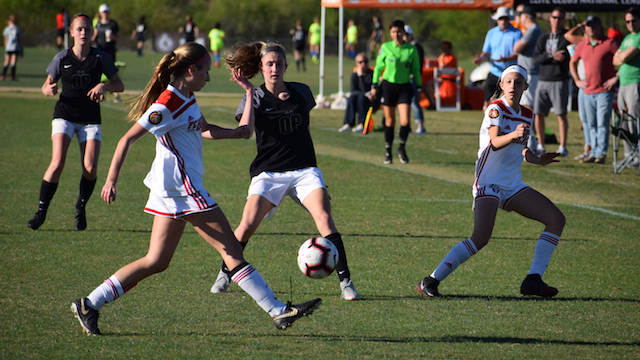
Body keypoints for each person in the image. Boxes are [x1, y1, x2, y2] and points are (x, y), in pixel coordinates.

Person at [70, 42, 322, 336]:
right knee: (232, 253)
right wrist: (111, 180)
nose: (209, 77)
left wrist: (238, 129)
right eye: (205, 71)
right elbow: (127, 139)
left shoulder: (186, 96)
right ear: (190, 70)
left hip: (172, 192)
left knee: (156, 261)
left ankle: (90, 303)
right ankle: (278, 311)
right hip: (183, 190)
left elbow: (201, 128)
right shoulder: (167, 103)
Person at [210, 41, 361, 301]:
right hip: (268, 173)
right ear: (261, 67)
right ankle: (225, 273)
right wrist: (247, 91)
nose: (275, 68)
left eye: (279, 64)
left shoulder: (302, 92)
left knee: (324, 219)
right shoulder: (254, 96)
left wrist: (319, 183)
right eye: (269, 64)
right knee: (245, 227)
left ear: (286, 66)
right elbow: (245, 131)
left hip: (304, 170)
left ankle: (346, 284)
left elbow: (306, 129)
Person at [416, 65, 565, 299]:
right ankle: (431, 280)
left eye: (518, 82)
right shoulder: (495, 109)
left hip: (513, 184)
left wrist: (537, 159)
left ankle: (533, 279)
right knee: (480, 238)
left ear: (526, 86)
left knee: (556, 220)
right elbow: (494, 142)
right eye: (509, 82)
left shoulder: (527, 113)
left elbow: (522, 147)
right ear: (501, 85)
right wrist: (514, 135)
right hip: (488, 182)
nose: (513, 86)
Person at [27, 14, 124, 231]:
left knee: (90, 168)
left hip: (90, 118)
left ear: (93, 33)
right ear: (71, 32)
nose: (83, 33)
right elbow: (46, 85)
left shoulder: (100, 57)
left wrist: (103, 86)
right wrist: (47, 89)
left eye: (87, 29)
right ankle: (41, 211)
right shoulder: (61, 58)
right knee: (57, 162)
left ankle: (80, 207)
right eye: (79, 29)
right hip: (65, 115)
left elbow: (119, 85)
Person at [570, 15, 619, 164]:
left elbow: (623, 60)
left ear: (599, 26)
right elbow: (572, 62)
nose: (590, 28)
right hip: (587, 91)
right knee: (590, 123)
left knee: (602, 123)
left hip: (604, 91)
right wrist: (577, 80)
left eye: (593, 25)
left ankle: (601, 153)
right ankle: (592, 151)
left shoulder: (609, 43)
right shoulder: (582, 45)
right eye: (587, 25)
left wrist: (615, 78)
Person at [371, 19, 422, 164]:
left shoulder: (411, 50)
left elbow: (416, 71)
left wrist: (419, 87)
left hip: (404, 87)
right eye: (393, 31)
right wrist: (374, 85)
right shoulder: (386, 47)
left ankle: (402, 147)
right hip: (388, 87)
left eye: (399, 31)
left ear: (403, 32)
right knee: (390, 121)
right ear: (390, 33)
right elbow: (379, 67)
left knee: (405, 121)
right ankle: (388, 151)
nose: (396, 34)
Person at [532, 8, 572, 158]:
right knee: (539, 113)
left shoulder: (566, 37)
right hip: (543, 79)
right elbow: (536, 58)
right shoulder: (543, 38)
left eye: (560, 18)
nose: (556, 20)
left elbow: (564, 56)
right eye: (554, 17)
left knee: (561, 113)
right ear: (550, 18)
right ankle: (540, 144)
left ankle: (563, 147)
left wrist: (551, 56)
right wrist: (551, 55)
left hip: (559, 79)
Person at [473, 6, 522, 111]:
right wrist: (480, 59)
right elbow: (486, 52)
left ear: (509, 19)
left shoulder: (517, 33)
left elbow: (517, 54)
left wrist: (504, 59)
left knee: (508, 103)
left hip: (509, 73)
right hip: (494, 71)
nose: (503, 21)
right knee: (488, 100)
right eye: (500, 18)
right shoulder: (492, 33)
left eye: (505, 18)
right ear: (497, 20)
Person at [612, 7, 640, 168]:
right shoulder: (628, 38)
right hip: (623, 82)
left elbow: (624, 56)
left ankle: (639, 154)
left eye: (633, 21)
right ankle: (629, 154)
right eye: (627, 21)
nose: (630, 24)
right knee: (623, 119)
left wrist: (621, 56)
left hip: (636, 81)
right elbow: (615, 60)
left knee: (635, 119)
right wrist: (621, 57)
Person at [513, 6, 542, 113]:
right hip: (529, 71)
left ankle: (529, 129)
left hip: (530, 72)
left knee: (527, 104)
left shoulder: (533, 30)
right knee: (526, 102)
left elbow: (516, 48)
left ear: (525, 16)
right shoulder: (533, 29)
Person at [92, 4, 121, 103]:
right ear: (100, 13)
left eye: (107, 12)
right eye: (104, 12)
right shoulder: (98, 24)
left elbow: (118, 38)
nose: (105, 14)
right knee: (99, 73)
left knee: (111, 72)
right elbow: (94, 36)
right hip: (99, 50)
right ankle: (101, 94)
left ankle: (116, 95)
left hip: (110, 52)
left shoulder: (113, 24)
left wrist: (113, 37)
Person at [339, 53, 373, 133]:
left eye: (365, 61)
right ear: (357, 63)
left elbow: (365, 89)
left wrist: (361, 76)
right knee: (351, 98)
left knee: (361, 98)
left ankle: (362, 124)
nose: (363, 64)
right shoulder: (354, 76)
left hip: (370, 100)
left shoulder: (371, 74)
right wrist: (364, 94)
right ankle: (348, 124)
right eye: (360, 62)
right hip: (359, 98)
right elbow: (353, 90)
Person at [403, 25, 427, 134]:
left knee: (414, 102)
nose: (404, 37)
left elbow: (418, 65)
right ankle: (407, 126)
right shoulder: (405, 47)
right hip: (404, 78)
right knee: (406, 103)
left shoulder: (415, 46)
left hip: (413, 79)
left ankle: (420, 126)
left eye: (406, 35)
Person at [436, 41, 459, 107]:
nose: (443, 50)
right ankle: (433, 103)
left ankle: (434, 104)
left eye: (445, 48)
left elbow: (442, 66)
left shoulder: (452, 58)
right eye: (442, 48)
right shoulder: (441, 57)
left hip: (449, 81)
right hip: (441, 79)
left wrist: (442, 56)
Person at [2, 15, 22, 81]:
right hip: (16, 47)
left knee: (6, 62)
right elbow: (19, 40)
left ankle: (3, 75)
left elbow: (5, 39)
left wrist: (6, 47)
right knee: (13, 62)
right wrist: (21, 48)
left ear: (9, 21)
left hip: (8, 47)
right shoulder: (18, 29)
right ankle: (12, 76)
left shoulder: (7, 29)